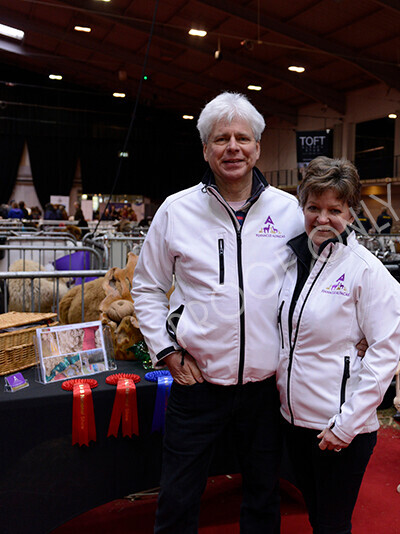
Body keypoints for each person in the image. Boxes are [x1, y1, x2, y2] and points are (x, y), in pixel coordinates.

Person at [132, 92, 305, 533]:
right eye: (221, 139)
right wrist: (168, 352)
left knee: (264, 498)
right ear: (205, 149)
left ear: (258, 147)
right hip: (198, 384)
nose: (233, 148)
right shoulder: (176, 210)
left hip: (266, 389)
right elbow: (148, 287)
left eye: (242, 138)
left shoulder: (289, 211)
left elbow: (320, 278)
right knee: (178, 497)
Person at [277, 156, 400, 534]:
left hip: (337, 430)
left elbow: (383, 356)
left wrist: (345, 426)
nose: (322, 218)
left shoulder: (367, 272)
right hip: (294, 421)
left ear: (351, 212)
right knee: (317, 517)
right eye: (314, 207)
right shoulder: (294, 262)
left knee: (331, 525)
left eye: (335, 209)